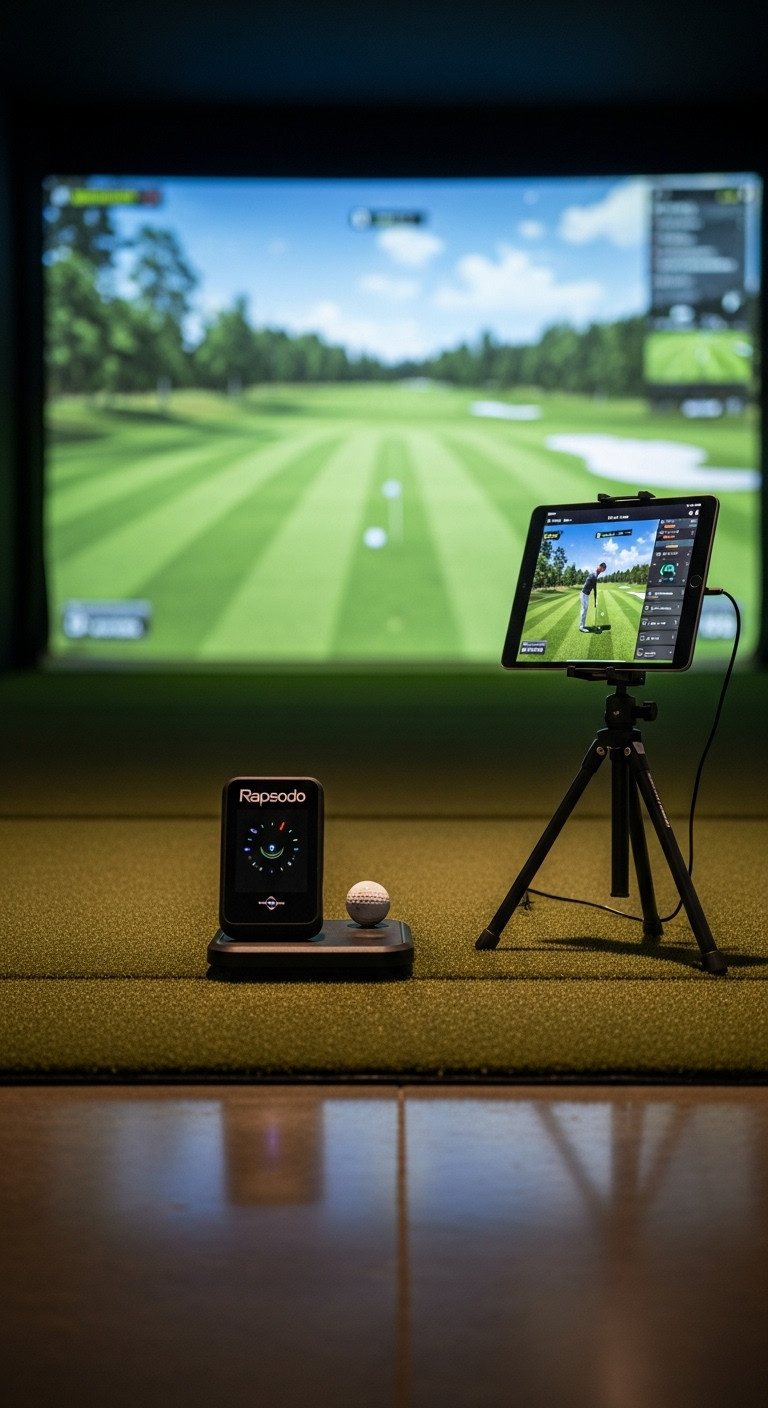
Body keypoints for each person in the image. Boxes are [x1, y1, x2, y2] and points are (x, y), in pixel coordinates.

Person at [579, 562, 606, 631]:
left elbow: (595, 589)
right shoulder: (593, 574)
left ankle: (582, 626)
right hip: (584, 594)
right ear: (600, 567)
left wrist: (595, 601)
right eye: (602, 569)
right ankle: (581, 627)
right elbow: (591, 585)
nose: (602, 571)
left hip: (586, 595)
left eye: (603, 570)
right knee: (584, 610)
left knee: (585, 609)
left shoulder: (596, 575)